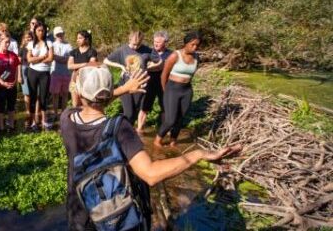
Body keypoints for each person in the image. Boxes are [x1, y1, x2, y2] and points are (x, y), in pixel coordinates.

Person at [61, 65, 242, 231]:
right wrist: (198, 154)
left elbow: (88, 104)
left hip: (79, 210)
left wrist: (122, 89)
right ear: (108, 93)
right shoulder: (118, 128)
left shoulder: (66, 119)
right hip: (113, 216)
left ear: (79, 91)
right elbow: (151, 174)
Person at [154, 31, 201, 148]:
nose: (195, 47)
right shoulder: (175, 55)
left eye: (197, 45)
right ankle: (157, 141)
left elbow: (191, 75)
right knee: (170, 120)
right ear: (186, 43)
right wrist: (166, 91)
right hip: (172, 89)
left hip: (186, 90)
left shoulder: (197, 57)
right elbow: (164, 75)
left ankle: (173, 141)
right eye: (192, 44)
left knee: (180, 119)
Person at [103, 30, 160, 125]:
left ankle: (127, 132)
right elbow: (106, 61)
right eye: (134, 44)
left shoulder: (147, 50)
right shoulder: (122, 50)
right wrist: (120, 66)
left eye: (138, 44)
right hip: (126, 84)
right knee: (128, 113)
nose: (135, 47)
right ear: (129, 40)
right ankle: (120, 131)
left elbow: (158, 61)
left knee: (134, 112)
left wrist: (149, 67)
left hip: (140, 84)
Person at [137, 31, 172, 134]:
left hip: (164, 85)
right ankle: (139, 130)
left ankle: (164, 130)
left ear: (165, 42)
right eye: (154, 41)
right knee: (144, 107)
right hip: (149, 84)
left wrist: (155, 66)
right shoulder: (149, 52)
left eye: (158, 42)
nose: (156, 44)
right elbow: (143, 66)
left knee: (165, 107)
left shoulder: (170, 54)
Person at [0, 38, 21, 131]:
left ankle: (11, 125)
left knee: (11, 106)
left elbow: (17, 66)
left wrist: (15, 80)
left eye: (9, 42)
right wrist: (2, 82)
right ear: (0, 43)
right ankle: (1, 127)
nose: (7, 44)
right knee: (0, 107)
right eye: (5, 42)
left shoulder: (12, 55)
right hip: (0, 86)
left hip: (11, 85)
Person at [26, 23, 54, 131]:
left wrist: (36, 59)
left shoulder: (49, 42)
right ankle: (33, 122)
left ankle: (44, 121)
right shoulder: (31, 43)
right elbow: (29, 59)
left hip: (45, 73)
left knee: (44, 97)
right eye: (38, 30)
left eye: (42, 30)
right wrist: (42, 57)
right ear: (35, 31)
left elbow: (51, 58)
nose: (41, 32)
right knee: (32, 97)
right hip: (32, 72)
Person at [67, 30, 97, 107]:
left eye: (80, 38)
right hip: (74, 80)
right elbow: (69, 66)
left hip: (86, 81)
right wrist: (85, 64)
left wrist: (78, 65)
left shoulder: (92, 52)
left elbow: (91, 65)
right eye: (77, 38)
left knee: (86, 104)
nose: (77, 40)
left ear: (86, 39)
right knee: (75, 103)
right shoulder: (73, 52)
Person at [49, 26, 72, 118]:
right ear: (55, 35)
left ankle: (63, 112)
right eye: (58, 34)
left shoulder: (69, 45)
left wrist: (59, 58)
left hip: (66, 73)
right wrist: (63, 59)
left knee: (65, 94)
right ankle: (55, 113)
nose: (60, 35)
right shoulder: (52, 45)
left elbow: (70, 58)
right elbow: (52, 57)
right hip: (55, 72)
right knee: (55, 94)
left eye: (61, 33)